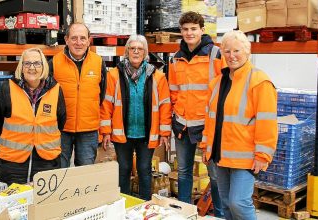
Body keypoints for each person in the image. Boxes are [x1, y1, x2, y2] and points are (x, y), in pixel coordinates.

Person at [200, 30, 278, 220]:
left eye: (236, 50)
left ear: (247, 52)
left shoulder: (259, 81)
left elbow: (267, 121)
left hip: (245, 156)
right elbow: (210, 119)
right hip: (220, 154)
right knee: (226, 203)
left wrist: (263, 154)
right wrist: (205, 147)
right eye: (227, 51)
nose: (231, 56)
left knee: (239, 203)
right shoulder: (218, 83)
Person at [100, 35, 172, 200]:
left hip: (146, 134)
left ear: (146, 53)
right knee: (123, 169)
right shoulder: (114, 75)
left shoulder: (157, 76)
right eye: (132, 48)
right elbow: (106, 105)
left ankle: (144, 206)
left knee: (144, 169)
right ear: (126, 52)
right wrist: (105, 131)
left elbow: (165, 106)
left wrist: (164, 133)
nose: (136, 52)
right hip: (122, 135)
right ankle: (124, 205)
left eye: (140, 49)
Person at [168, 10, 225, 216]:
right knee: (183, 172)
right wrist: (175, 116)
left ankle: (219, 214)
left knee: (215, 175)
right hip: (183, 124)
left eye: (193, 29)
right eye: (185, 29)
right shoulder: (176, 59)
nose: (189, 33)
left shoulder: (216, 55)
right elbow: (173, 91)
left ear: (202, 30)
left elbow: (225, 90)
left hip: (207, 126)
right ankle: (184, 213)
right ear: (181, 32)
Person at [0, 48, 66, 185]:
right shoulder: (7, 89)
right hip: (14, 164)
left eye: (37, 63)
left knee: (43, 204)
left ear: (43, 66)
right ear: (21, 67)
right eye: (27, 63)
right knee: (16, 203)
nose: (32, 68)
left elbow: (61, 121)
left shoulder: (55, 90)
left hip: (46, 163)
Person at [49, 23, 107, 167]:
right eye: (74, 38)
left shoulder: (99, 63)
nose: (79, 43)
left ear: (89, 41)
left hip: (88, 130)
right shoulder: (54, 63)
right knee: (59, 172)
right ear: (66, 40)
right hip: (60, 129)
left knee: (84, 175)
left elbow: (102, 95)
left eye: (83, 38)